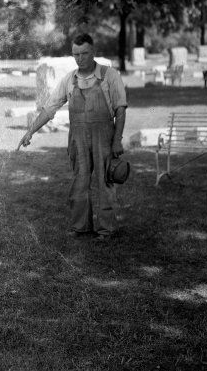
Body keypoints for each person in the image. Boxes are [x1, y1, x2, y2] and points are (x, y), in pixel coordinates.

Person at [17, 33, 127, 239]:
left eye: (84, 53)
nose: (80, 58)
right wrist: (30, 131)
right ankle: (80, 227)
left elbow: (120, 109)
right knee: (80, 182)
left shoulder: (110, 76)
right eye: (76, 54)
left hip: (104, 137)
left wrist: (117, 140)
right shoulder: (69, 79)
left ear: (93, 52)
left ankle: (106, 229)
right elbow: (49, 109)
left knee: (105, 182)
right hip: (77, 138)